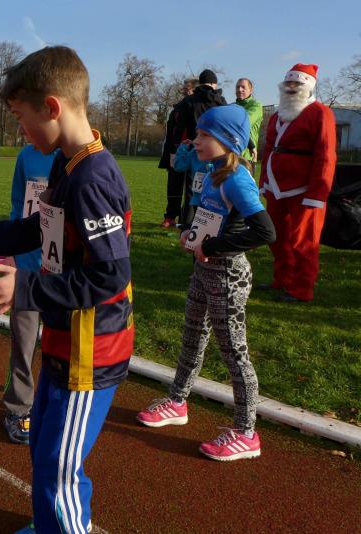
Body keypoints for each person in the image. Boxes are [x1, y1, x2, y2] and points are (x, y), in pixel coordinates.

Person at [0, 46, 133, 534]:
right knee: (44, 447)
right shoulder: (65, 164)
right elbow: (38, 228)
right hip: (62, 337)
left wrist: (25, 288)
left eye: (20, 118)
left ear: (51, 107)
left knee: (58, 466)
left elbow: (110, 277)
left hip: (90, 350)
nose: (20, 132)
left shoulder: (93, 178)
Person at [136, 105, 276, 461]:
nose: (195, 140)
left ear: (227, 141)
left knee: (234, 351)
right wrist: (189, 233)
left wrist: (212, 246)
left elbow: (265, 231)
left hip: (228, 276)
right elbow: (205, 216)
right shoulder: (211, 172)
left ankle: (246, 433)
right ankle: (177, 402)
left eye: (203, 135)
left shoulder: (236, 179)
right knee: (192, 336)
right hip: (204, 272)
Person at [258, 63, 337, 302]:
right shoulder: (277, 116)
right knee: (276, 236)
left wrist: (318, 192)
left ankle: (302, 289)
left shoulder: (320, 113)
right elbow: (268, 150)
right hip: (276, 186)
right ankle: (282, 279)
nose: (291, 87)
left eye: (297, 83)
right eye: (288, 82)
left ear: (308, 86)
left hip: (305, 189)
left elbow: (326, 154)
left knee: (304, 240)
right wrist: (264, 182)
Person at [1, 134, 57, 445]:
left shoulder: (73, 156)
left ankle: (54, 403)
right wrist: (13, 251)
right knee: (23, 343)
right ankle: (18, 407)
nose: (24, 130)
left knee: (59, 345)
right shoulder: (26, 156)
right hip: (26, 265)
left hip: (61, 272)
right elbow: (17, 205)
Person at [172, 69, 228, 227]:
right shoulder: (220, 100)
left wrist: (176, 146)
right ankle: (211, 224)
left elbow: (179, 126)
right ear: (214, 84)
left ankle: (188, 223)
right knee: (215, 186)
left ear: (200, 83)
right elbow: (229, 125)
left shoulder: (189, 101)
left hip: (195, 148)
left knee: (192, 189)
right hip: (215, 151)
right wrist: (250, 145)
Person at [159, 78, 197, 228]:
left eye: (188, 89)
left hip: (193, 151)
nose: (184, 92)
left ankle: (186, 218)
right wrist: (169, 152)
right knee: (174, 184)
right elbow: (171, 131)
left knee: (191, 187)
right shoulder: (178, 108)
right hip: (176, 151)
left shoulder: (198, 106)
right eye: (184, 89)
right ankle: (170, 216)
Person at [234, 78, 263, 166]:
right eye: (238, 87)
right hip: (232, 155)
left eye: (243, 87)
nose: (240, 89)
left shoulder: (256, 105)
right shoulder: (232, 106)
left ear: (250, 90)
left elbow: (244, 123)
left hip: (247, 156)